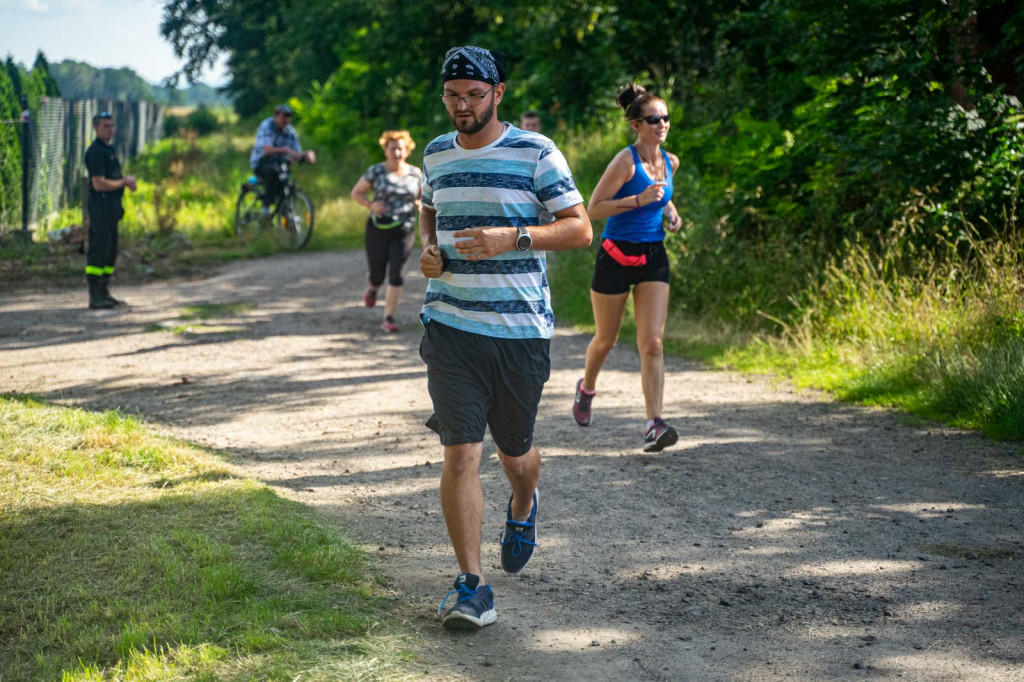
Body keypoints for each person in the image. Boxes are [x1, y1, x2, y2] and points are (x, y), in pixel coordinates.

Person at [419, 46, 591, 630]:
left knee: (515, 456)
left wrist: (512, 237)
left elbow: (579, 229)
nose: (462, 106)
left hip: (519, 331)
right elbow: (428, 210)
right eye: (452, 96)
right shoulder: (435, 153)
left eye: (473, 95)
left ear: (497, 93)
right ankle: (472, 587)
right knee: (461, 452)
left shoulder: (536, 152)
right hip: (450, 324)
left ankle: (523, 501)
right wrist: (429, 249)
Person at [572, 83, 683, 453]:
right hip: (616, 256)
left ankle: (654, 423)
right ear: (637, 125)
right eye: (653, 119)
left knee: (653, 342)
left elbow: (663, 197)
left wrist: (671, 213)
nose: (662, 124)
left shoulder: (670, 162)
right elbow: (593, 209)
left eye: (665, 117)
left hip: (653, 256)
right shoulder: (625, 162)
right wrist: (638, 199)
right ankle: (587, 388)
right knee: (607, 340)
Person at [350, 130, 425, 332]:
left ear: (407, 151)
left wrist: (420, 205)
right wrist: (370, 205)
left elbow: (422, 196)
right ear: (385, 150)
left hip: (404, 229)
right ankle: (373, 287)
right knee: (378, 272)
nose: (397, 153)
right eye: (393, 149)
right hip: (378, 228)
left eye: (400, 148)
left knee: (397, 274)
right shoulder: (376, 171)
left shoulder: (415, 173)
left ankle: (388, 317)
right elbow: (356, 193)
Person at [84, 111, 136, 309]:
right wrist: (123, 182)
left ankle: (104, 291)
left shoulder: (110, 150)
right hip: (100, 209)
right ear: (96, 128)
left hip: (112, 209)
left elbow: (112, 178)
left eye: (112, 126)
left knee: (110, 252)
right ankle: (95, 295)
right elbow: (98, 184)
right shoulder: (96, 152)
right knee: (98, 252)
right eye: (105, 126)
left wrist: (125, 181)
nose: (110, 130)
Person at [249, 104, 316, 215]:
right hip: (261, 162)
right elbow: (266, 149)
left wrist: (307, 155)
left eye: (288, 116)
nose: (285, 119)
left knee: (285, 182)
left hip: (281, 164)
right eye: (283, 116)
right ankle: (265, 207)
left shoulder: (291, 132)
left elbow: (295, 153)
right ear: (276, 116)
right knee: (274, 172)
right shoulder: (267, 126)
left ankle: (285, 214)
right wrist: (285, 150)